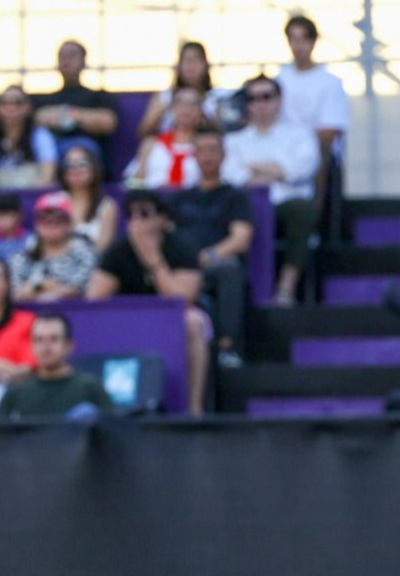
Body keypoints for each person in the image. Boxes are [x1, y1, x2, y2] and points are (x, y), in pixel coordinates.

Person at [85, 189, 210, 415]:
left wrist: (153, 260)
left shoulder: (181, 246)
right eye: (130, 214)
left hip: (173, 316)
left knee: (193, 322)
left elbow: (182, 300)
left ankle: (193, 409)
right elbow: (93, 299)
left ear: (162, 218)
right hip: (131, 317)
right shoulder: (119, 249)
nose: (137, 220)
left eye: (144, 213)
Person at [221, 74, 319, 306]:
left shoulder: (300, 135)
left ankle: (286, 288)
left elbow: (300, 170)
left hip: (286, 205)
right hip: (247, 205)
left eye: (266, 97)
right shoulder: (233, 140)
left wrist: (253, 167)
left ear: (279, 100)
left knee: (303, 210)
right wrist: (277, 170)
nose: (260, 104)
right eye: (253, 98)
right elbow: (233, 176)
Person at [172, 129, 254, 365]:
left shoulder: (235, 197)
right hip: (182, 266)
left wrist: (207, 256)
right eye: (202, 150)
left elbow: (241, 239)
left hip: (215, 264)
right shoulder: (179, 199)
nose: (208, 156)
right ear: (193, 155)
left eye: (213, 150)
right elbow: (167, 235)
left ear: (224, 154)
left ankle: (227, 348)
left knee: (230, 267)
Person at [275, 14, 349, 207]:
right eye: (293, 39)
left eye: (303, 39)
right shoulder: (279, 81)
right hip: (283, 157)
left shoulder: (330, 83)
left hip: (319, 158)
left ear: (313, 41)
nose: (298, 46)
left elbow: (328, 132)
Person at [0, 311, 111, 419]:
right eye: (39, 340)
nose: (46, 346)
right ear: (31, 346)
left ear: (69, 345)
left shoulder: (90, 389)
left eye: (54, 339)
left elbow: (112, 428)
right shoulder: (16, 393)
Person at [33, 40, 119, 175]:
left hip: (89, 153)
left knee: (77, 154)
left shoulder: (99, 96)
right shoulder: (45, 99)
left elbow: (107, 122)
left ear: (84, 62)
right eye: (62, 56)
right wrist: (82, 117)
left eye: (72, 55)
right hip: (51, 150)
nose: (66, 60)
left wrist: (66, 115)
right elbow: (36, 118)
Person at [9, 190, 97, 301]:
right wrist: (40, 285)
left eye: (58, 219)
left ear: (70, 223)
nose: (51, 222)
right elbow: (13, 292)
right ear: (36, 224)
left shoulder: (84, 254)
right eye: (44, 218)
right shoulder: (23, 256)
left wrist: (36, 288)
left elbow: (81, 290)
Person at [136, 41, 230, 139]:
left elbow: (223, 134)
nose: (191, 65)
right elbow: (143, 131)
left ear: (205, 65)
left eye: (195, 60)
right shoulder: (165, 97)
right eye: (186, 60)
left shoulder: (215, 98)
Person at [126, 86, 208, 189]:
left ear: (201, 112)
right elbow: (134, 181)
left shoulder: (208, 147)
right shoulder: (151, 144)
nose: (186, 109)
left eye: (193, 104)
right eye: (180, 103)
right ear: (171, 109)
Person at [56, 144, 117, 255]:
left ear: (94, 168)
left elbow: (103, 250)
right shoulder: (54, 201)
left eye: (82, 164)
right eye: (69, 165)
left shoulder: (107, 206)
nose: (75, 169)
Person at [0, 85, 56, 188]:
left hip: (31, 193)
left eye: (18, 102)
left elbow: (47, 174)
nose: (11, 107)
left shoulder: (40, 135)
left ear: (28, 107)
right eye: (4, 102)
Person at [0, 259, 35, 381]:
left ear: (8, 284)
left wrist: (7, 370)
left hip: (15, 387)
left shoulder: (27, 322)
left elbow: (29, 368)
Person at [0, 194, 27, 263]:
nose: (3, 220)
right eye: (0, 215)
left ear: (19, 215)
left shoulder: (31, 240)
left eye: (7, 214)